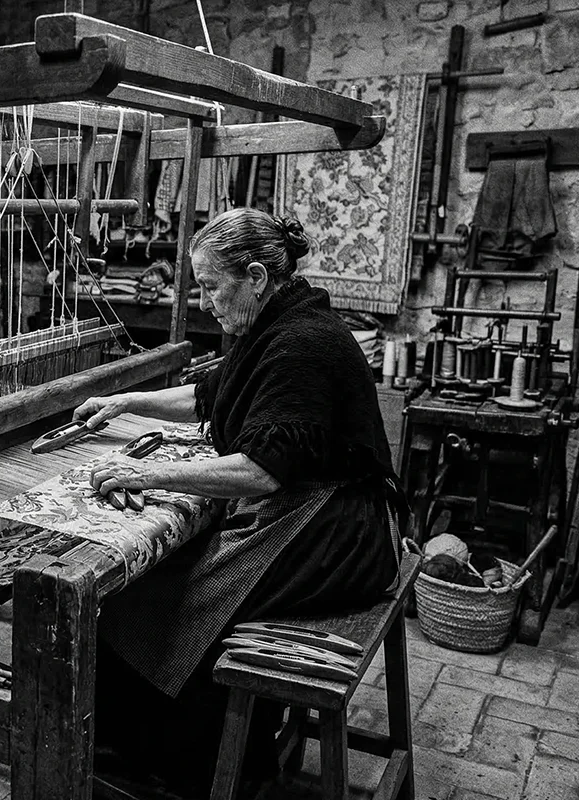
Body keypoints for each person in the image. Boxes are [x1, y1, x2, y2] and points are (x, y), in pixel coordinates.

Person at [72, 207, 403, 798]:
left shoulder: (301, 343)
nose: (205, 304)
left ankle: (200, 766)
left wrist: (144, 473)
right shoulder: (279, 324)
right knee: (162, 583)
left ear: (255, 276)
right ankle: (159, 742)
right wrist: (126, 402)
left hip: (340, 533)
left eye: (210, 286)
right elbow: (209, 394)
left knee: (166, 598)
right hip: (317, 514)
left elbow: (261, 470)